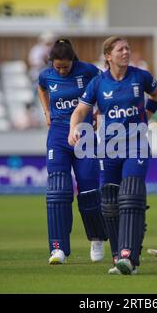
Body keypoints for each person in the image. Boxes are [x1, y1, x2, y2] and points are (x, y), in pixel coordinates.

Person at [68, 36, 157, 275]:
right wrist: (73, 129)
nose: (126, 52)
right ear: (108, 56)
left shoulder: (140, 76)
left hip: (136, 145)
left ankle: (128, 258)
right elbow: (80, 111)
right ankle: (119, 255)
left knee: (130, 194)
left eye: (128, 48)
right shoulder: (98, 83)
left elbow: (156, 96)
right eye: (121, 49)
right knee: (109, 203)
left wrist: (145, 118)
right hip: (109, 149)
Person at [37, 38, 107, 265]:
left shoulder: (87, 70)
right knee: (57, 191)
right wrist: (47, 111)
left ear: (72, 61)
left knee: (88, 191)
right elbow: (41, 88)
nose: (61, 71)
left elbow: (105, 87)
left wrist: (98, 112)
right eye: (58, 67)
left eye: (65, 67)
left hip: (84, 134)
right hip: (58, 135)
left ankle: (96, 239)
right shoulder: (47, 75)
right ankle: (58, 249)